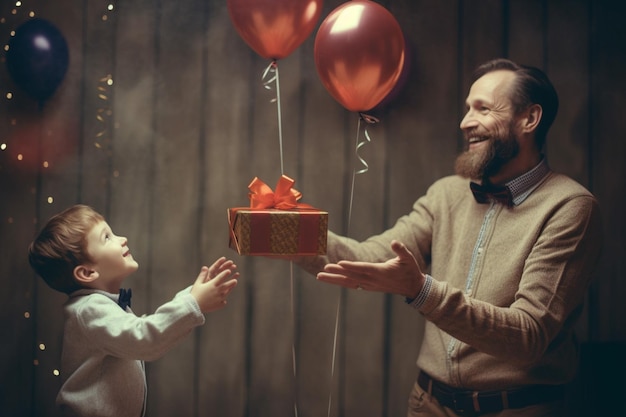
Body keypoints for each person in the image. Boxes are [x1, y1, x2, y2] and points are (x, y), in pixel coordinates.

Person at [295, 58, 603, 417]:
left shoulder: (570, 207)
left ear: (529, 119)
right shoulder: (446, 193)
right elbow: (370, 255)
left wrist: (422, 291)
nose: (465, 122)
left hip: (516, 409)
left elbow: (528, 335)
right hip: (428, 405)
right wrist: (286, 232)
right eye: (467, 109)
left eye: (482, 109)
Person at [28, 204, 239, 417]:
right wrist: (195, 302)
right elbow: (144, 338)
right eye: (107, 237)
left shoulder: (98, 306)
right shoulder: (90, 310)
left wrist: (194, 294)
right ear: (87, 272)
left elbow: (141, 331)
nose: (122, 239)